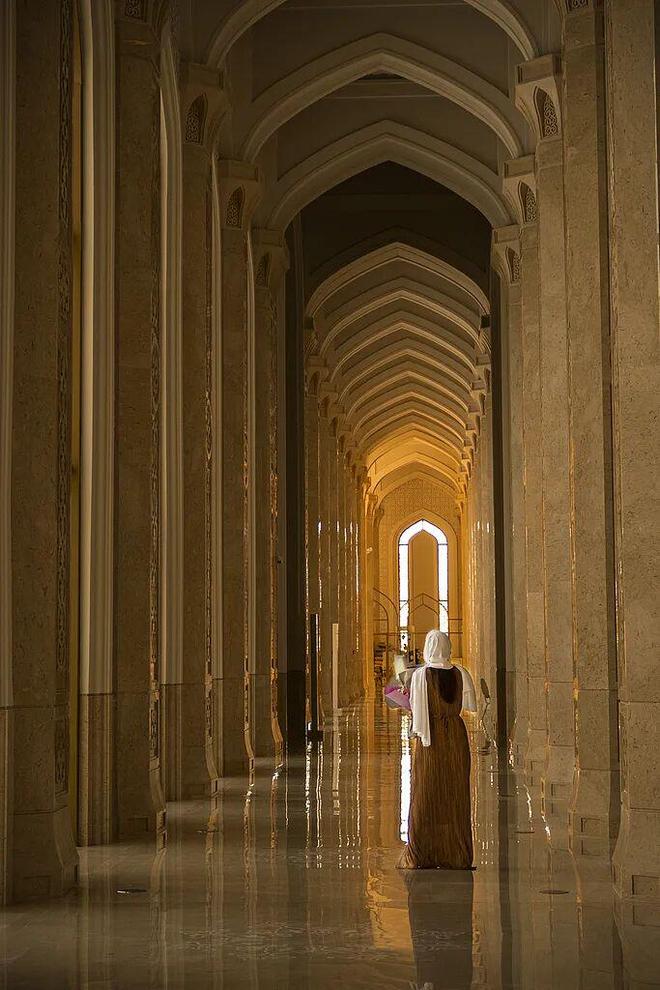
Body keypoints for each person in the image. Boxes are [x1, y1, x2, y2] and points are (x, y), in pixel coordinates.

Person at [397, 629, 477, 870]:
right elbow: (471, 705)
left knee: (426, 793)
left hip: (429, 740)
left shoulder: (421, 676)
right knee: (454, 793)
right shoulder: (461, 673)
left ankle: (425, 852)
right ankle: (456, 853)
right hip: (455, 737)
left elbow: (416, 711)